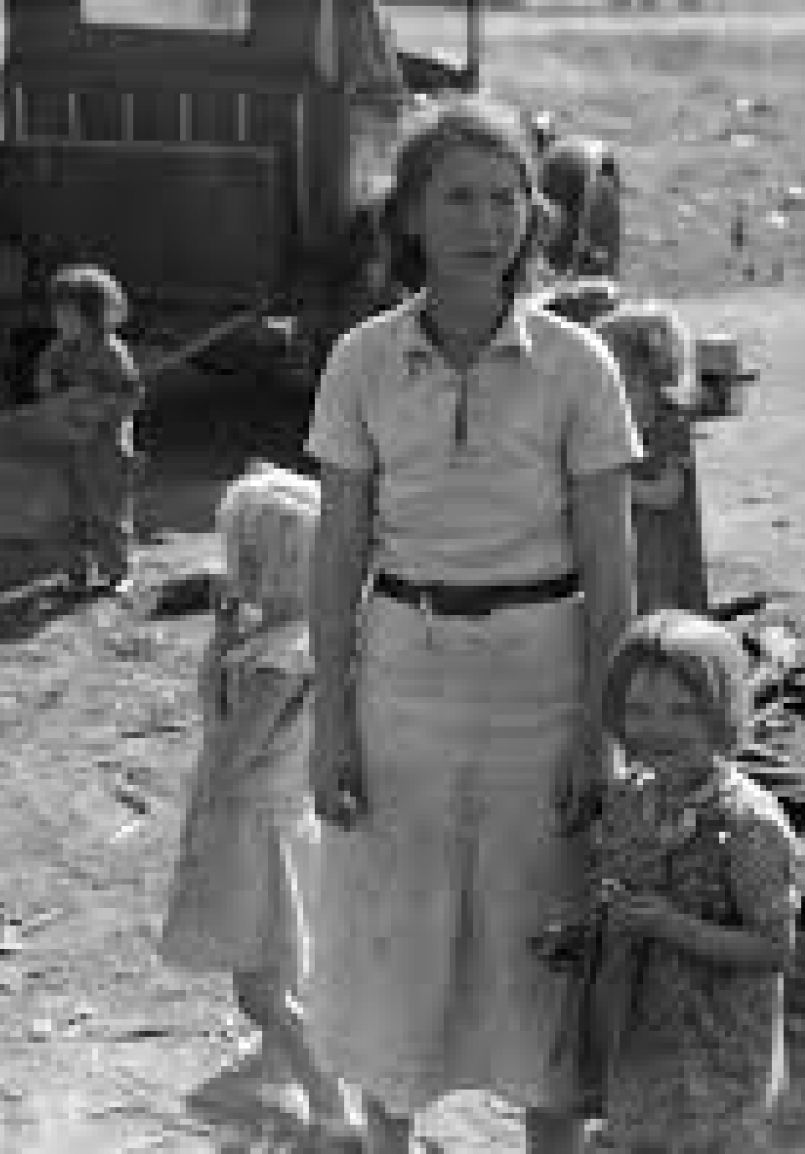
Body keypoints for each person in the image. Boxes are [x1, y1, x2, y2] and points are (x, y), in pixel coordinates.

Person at [304, 96, 642, 1154]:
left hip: (542, 684)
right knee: (392, 921)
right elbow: (337, 550)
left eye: (506, 199)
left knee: (544, 927)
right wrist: (331, 719)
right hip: (403, 675)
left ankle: (550, 1141)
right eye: (458, 197)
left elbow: (613, 560)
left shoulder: (576, 366)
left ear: (532, 218)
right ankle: (388, 1136)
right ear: (408, 216)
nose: (485, 222)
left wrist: (601, 725)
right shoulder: (362, 359)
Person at [158, 464, 349, 1135]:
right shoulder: (300, 640)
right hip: (282, 818)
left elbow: (229, 750)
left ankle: (331, 1110)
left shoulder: (275, 663)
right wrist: (222, 641)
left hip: (250, 828)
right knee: (286, 956)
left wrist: (201, 815)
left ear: (258, 561)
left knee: (260, 986)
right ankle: (280, 1064)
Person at [580, 610, 805, 1152]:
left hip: (720, 1049)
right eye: (639, 709)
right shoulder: (633, 797)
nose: (659, 728)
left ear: (724, 711)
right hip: (643, 1036)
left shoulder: (750, 823)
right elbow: (620, 886)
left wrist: (670, 926)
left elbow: (775, 948)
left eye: (683, 710)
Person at [32, 264, 144, 594]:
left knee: (108, 509)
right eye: (57, 313)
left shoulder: (112, 352)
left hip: (106, 446)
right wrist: (56, 395)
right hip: (68, 444)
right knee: (68, 509)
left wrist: (100, 408)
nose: (60, 321)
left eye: (68, 314)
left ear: (93, 316)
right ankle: (75, 572)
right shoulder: (56, 352)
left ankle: (117, 572)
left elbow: (131, 395)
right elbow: (45, 389)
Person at [593, 301, 708, 615]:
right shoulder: (615, 425)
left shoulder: (669, 425)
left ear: (644, 374)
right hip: (630, 549)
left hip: (662, 551)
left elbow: (668, 492)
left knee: (661, 621)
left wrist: (611, 486)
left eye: (612, 376)